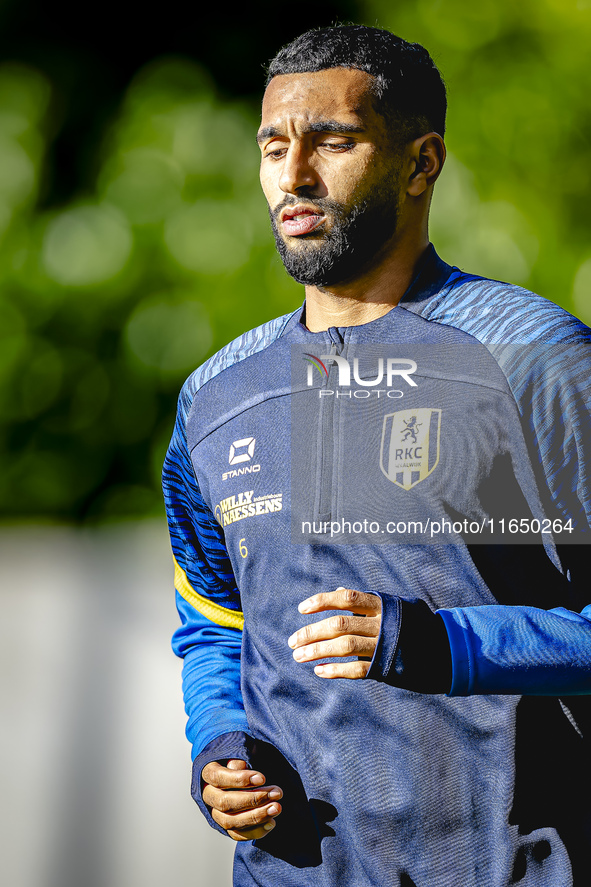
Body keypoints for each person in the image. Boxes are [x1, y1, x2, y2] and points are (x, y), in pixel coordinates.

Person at [162, 25, 591, 887]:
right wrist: (218, 742)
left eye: (335, 141)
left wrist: (435, 642)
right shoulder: (215, 397)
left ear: (421, 161)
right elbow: (215, 625)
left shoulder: (531, 356)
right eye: (274, 146)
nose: (293, 176)